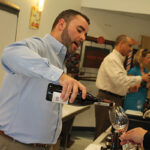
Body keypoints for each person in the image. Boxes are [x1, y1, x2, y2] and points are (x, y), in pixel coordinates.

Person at [0, 9, 90, 150]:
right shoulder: (39, 46)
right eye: (80, 30)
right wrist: (60, 76)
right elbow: (10, 54)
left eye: (85, 34)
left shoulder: (61, 63)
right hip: (15, 144)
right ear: (61, 24)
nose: (83, 37)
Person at [94, 35, 150, 139]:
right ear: (121, 44)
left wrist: (128, 89)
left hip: (114, 99)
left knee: (109, 132)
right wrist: (141, 78)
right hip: (107, 99)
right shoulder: (112, 59)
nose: (130, 49)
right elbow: (120, 80)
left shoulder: (118, 60)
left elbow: (117, 82)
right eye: (129, 45)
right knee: (102, 133)